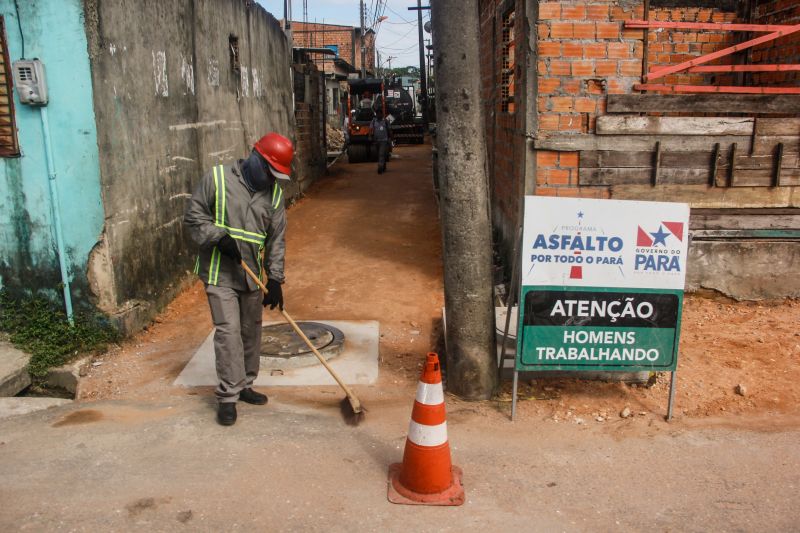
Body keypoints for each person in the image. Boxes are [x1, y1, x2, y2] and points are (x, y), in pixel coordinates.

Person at [184, 133, 293, 426]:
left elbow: (276, 240)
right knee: (228, 332)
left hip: (251, 276)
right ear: (255, 157)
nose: (272, 180)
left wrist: (276, 279)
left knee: (250, 331)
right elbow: (194, 217)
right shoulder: (217, 178)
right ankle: (228, 397)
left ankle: (245, 385)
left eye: (277, 176)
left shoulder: (274, 196)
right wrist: (217, 237)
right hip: (220, 273)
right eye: (270, 173)